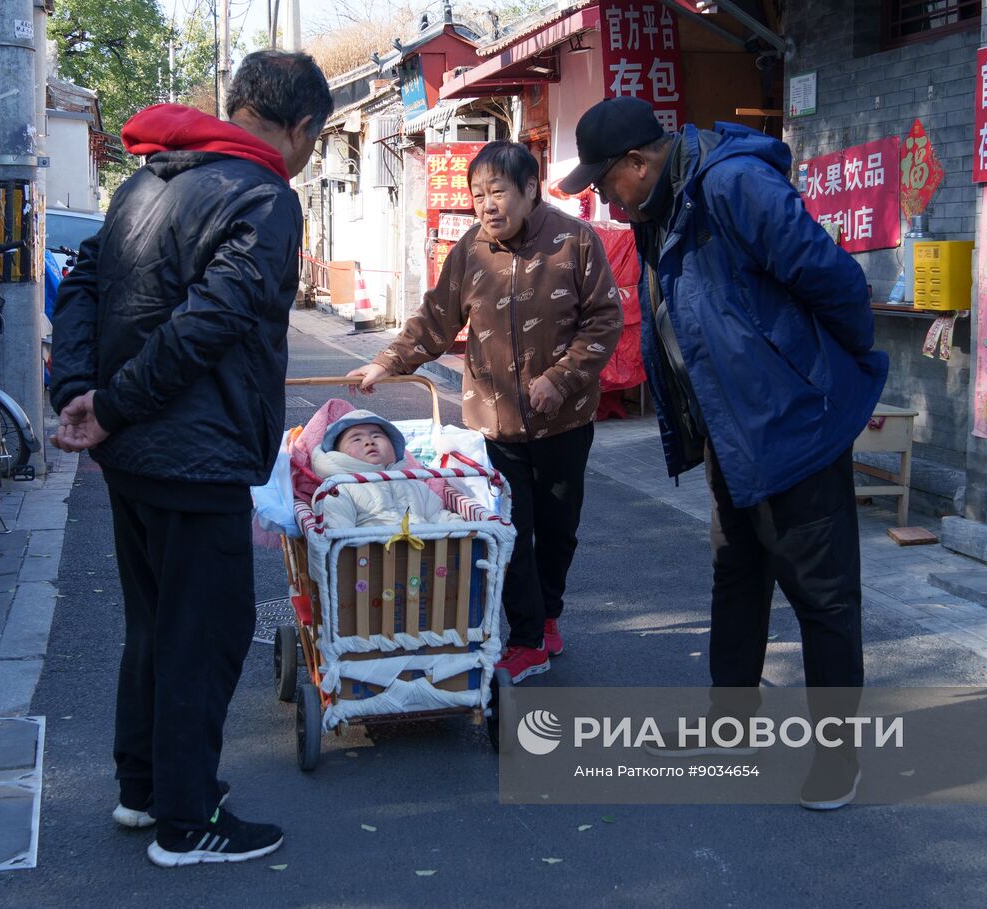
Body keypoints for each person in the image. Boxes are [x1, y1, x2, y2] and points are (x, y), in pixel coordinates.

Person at [559, 98, 888, 809]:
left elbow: (832, 277)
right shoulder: (659, 208)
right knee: (736, 572)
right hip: (731, 431)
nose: (604, 201)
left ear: (638, 164)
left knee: (821, 595)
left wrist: (830, 374)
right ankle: (731, 723)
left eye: (604, 183)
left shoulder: (734, 186)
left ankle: (839, 760)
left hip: (792, 425)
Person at [48, 51, 333, 866]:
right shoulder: (265, 194)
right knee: (201, 635)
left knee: (154, 626)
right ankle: (189, 818)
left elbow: (83, 286)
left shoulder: (144, 179)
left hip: (136, 457)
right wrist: (108, 403)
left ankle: (145, 789)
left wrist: (82, 388)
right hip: (194, 455)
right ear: (302, 128)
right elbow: (213, 322)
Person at [349, 141, 621, 683]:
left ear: (529, 189)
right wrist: (386, 362)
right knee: (508, 530)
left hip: (564, 422)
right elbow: (435, 319)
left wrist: (560, 379)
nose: (487, 205)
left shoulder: (576, 241)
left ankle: (546, 616)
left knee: (557, 528)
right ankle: (525, 638)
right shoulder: (470, 251)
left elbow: (605, 321)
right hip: (491, 426)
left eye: (498, 192)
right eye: (478, 195)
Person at [311, 409, 464, 528]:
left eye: (377, 436)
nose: (369, 442)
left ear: (394, 448)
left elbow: (436, 516)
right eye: (357, 439)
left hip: (423, 556)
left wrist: (459, 526)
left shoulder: (415, 485)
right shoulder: (338, 490)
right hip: (368, 559)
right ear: (337, 454)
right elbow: (336, 526)